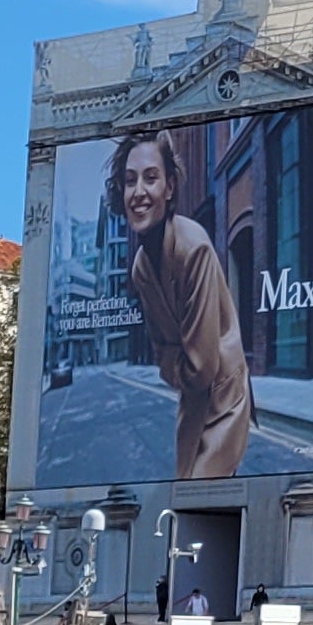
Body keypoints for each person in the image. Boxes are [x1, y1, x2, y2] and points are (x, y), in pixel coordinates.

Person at [108, 126, 253, 479]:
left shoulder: (194, 247)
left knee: (203, 495)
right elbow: (163, 352)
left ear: (169, 187)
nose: (138, 192)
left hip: (222, 397)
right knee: (186, 497)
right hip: (191, 405)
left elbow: (201, 368)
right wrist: (176, 360)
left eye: (151, 178)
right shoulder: (142, 266)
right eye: (129, 181)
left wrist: (175, 359)